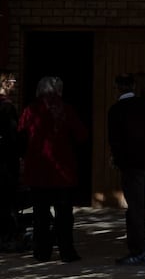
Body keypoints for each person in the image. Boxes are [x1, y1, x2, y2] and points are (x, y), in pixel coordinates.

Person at [19, 76, 88, 262]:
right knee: (64, 214)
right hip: (63, 172)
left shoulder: (30, 110)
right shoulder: (66, 109)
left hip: (38, 171)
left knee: (40, 214)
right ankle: (66, 252)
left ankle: (41, 252)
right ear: (58, 91)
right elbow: (81, 135)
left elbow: (21, 136)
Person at [108, 73, 145, 265]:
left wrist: (118, 161)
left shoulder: (116, 110)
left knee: (135, 207)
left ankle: (137, 249)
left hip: (132, 165)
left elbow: (115, 141)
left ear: (118, 88)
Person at [0, 71, 22, 249]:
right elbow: (13, 137)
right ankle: (8, 238)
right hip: (6, 160)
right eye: (13, 81)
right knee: (8, 199)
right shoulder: (7, 107)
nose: (16, 84)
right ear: (5, 83)